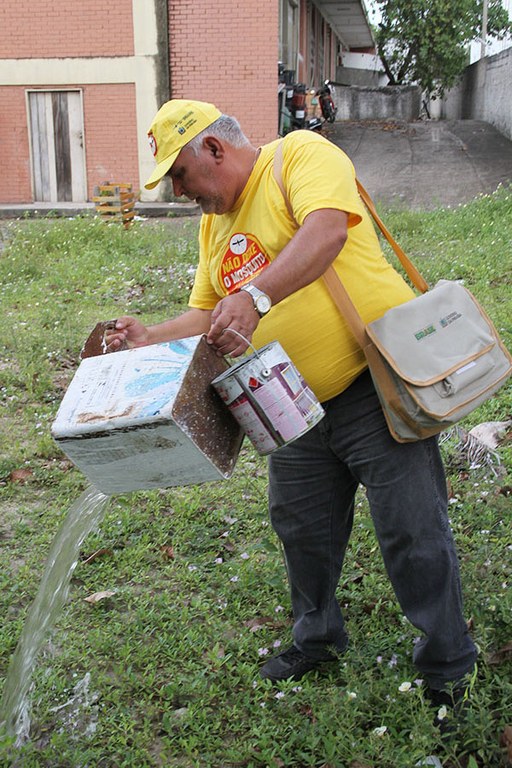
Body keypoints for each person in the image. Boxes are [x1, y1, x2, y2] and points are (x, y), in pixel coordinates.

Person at [107, 99, 477, 719]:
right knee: (302, 529)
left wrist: (256, 295)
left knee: (412, 529)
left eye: (180, 176)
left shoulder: (299, 157)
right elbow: (206, 310)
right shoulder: (213, 226)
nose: (180, 193)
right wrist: (155, 334)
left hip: (372, 385)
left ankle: (447, 661)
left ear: (214, 151)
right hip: (291, 406)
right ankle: (318, 640)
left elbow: (328, 229)